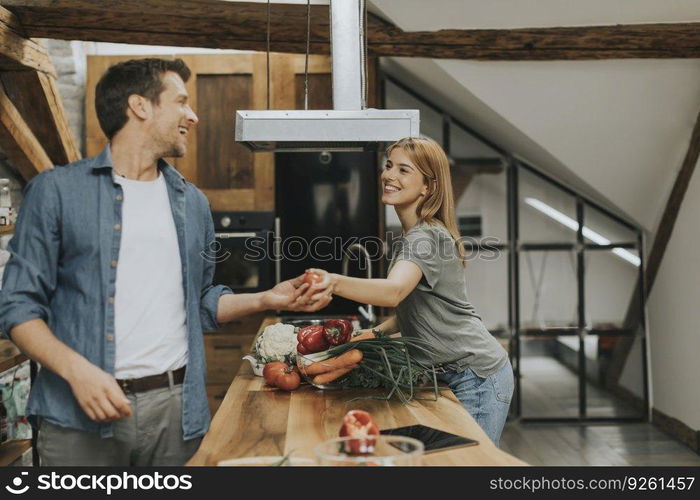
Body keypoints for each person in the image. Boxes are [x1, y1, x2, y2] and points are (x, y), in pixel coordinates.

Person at [0, 58, 329, 466]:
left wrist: (267, 298)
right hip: (76, 415)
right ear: (140, 106)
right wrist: (77, 371)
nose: (192, 115)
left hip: (177, 410)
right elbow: (17, 308)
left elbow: (202, 302)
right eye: (181, 102)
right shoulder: (57, 192)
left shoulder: (192, 203)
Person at [307, 137, 513, 446]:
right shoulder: (414, 236)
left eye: (404, 170)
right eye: (389, 166)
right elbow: (413, 313)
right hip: (455, 373)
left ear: (427, 187)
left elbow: (393, 293)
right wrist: (372, 334)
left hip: (476, 376)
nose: (389, 175)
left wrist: (334, 282)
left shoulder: (424, 238)